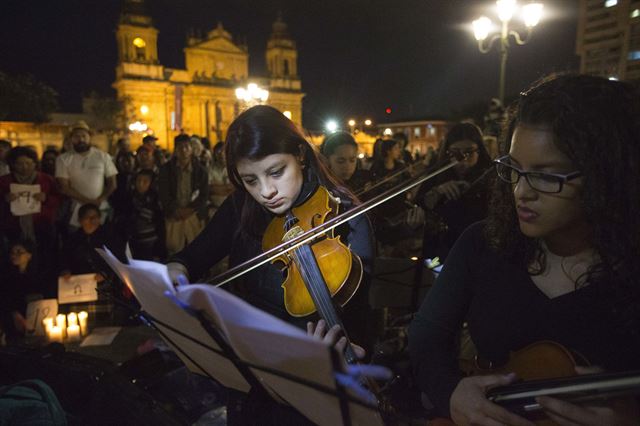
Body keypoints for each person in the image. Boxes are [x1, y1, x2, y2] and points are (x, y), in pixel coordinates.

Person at [408, 74, 640, 426]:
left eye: (547, 176)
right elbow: (427, 335)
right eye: (514, 169)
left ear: (604, 177)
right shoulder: (480, 244)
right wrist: (450, 391)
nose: (520, 192)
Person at [167, 104, 375, 424]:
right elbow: (192, 257)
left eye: (276, 172)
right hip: (251, 372)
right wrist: (177, 273)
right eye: (250, 179)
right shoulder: (242, 206)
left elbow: (355, 322)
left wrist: (330, 348)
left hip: (315, 391)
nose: (266, 191)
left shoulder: (345, 219)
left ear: (300, 156)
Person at [416, 122, 493, 262]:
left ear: (479, 151)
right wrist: (437, 192)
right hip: (440, 254)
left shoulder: (491, 175)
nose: (463, 160)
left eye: (469, 152)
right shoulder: (437, 174)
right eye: (455, 153)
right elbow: (420, 203)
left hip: (480, 253)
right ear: (447, 152)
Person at [0, 147, 61, 261]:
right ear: (12, 164)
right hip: (13, 227)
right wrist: (5, 199)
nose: (24, 167)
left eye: (28, 163)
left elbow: (58, 199)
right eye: (20, 164)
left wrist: (46, 198)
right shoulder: (4, 181)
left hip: (42, 226)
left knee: (44, 256)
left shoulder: (46, 179)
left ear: (34, 163)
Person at [55, 121, 118, 229]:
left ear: (89, 137)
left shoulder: (103, 156)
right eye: (77, 136)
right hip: (76, 209)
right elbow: (64, 187)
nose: (81, 139)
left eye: (84, 136)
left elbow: (112, 183)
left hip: (101, 207)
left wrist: (99, 200)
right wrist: (88, 202)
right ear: (71, 139)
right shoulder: (63, 159)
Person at [158, 134, 209, 255]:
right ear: (175, 150)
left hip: (193, 215)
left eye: (186, 146)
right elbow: (163, 193)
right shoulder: (166, 170)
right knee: (174, 248)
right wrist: (175, 209)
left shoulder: (201, 170)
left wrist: (190, 209)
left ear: (191, 149)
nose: (184, 150)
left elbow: (204, 194)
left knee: (196, 248)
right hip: (174, 215)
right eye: (180, 147)